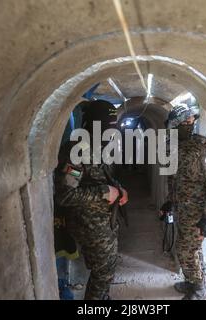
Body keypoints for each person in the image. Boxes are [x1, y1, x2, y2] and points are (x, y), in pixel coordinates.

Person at [54, 100, 128, 300]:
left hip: (105, 222)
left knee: (108, 269)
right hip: (89, 224)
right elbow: (66, 195)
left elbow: (102, 176)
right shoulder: (76, 151)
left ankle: (102, 297)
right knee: (102, 272)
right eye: (107, 127)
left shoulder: (98, 146)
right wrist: (105, 192)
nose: (111, 133)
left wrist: (119, 189)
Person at [160, 103, 206, 300]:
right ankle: (193, 281)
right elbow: (175, 179)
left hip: (197, 212)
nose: (189, 124)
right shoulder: (176, 147)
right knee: (192, 250)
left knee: (186, 250)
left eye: (190, 121)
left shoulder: (203, 148)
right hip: (181, 210)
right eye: (184, 122)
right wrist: (170, 202)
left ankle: (199, 290)